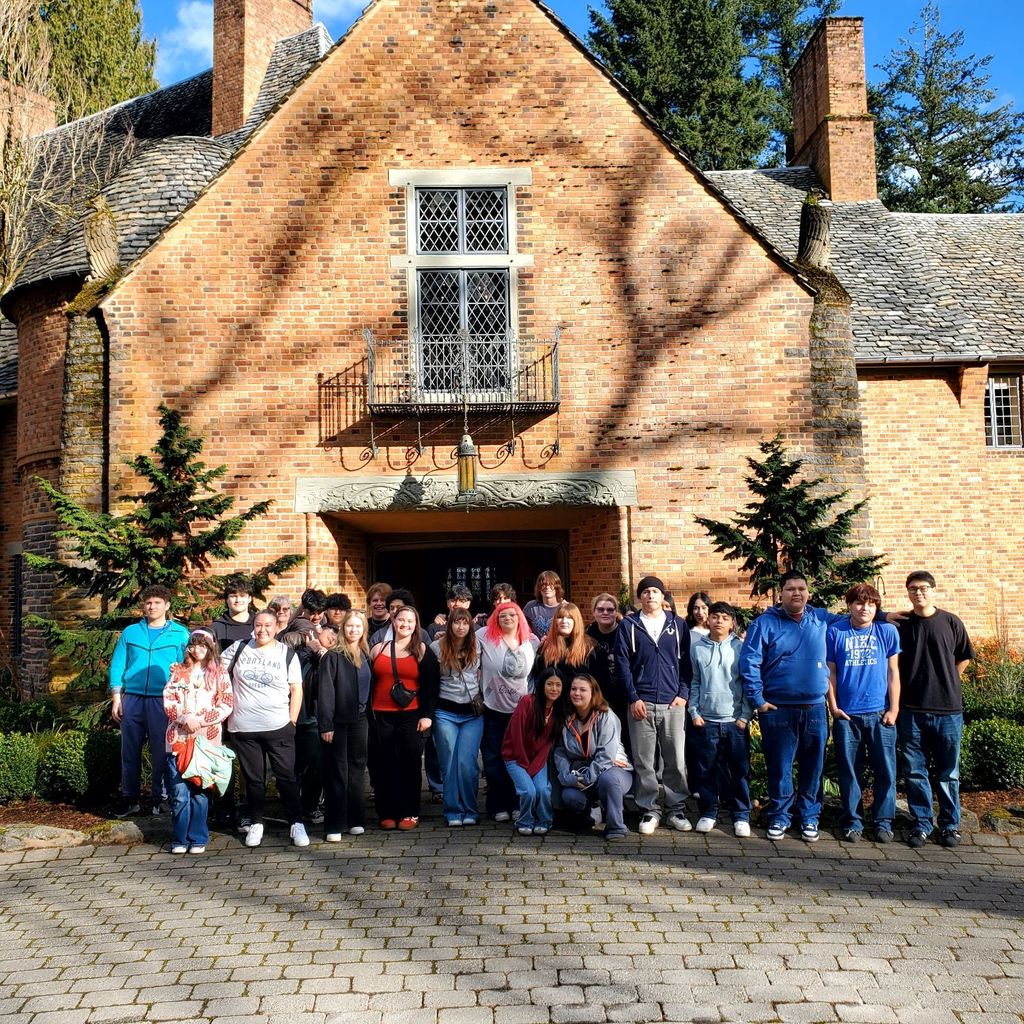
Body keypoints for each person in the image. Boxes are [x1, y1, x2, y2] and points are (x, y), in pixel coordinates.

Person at [740, 570, 863, 843]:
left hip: (815, 709)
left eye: (801, 588)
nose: (797, 593)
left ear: (809, 593)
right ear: (780, 594)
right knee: (780, 767)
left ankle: (809, 818)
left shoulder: (821, 618)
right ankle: (780, 817)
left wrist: (886, 616)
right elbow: (749, 663)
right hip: (778, 710)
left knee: (813, 767)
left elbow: (855, 618)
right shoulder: (765, 624)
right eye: (791, 589)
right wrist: (758, 701)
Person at [895, 571, 974, 849]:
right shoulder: (901, 624)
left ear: (934, 590)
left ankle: (950, 826)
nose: (919, 593)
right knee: (915, 772)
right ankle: (922, 824)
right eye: (913, 588)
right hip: (910, 710)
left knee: (948, 773)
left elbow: (964, 657)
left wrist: (947, 680)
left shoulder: (950, 622)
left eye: (924, 588)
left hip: (947, 710)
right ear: (908, 592)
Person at [613, 576, 692, 835]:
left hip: (672, 704)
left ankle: (676, 809)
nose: (650, 596)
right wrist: (633, 697)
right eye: (645, 592)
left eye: (655, 591)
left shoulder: (678, 625)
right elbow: (622, 665)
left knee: (676, 761)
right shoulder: (629, 625)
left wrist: (683, 694)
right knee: (644, 761)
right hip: (641, 703)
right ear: (640, 598)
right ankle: (650, 809)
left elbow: (686, 664)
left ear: (663, 596)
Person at [223, 611, 309, 848]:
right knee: (254, 780)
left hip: (278, 726)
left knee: (286, 778)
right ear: (253, 626)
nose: (262, 630)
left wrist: (292, 720)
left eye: (268, 625)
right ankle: (257, 823)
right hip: (243, 728)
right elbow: (216, 673)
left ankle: (296, 823)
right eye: (258, 625)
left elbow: (297, 689)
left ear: (276, 628)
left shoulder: (286, 653)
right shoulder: (238, 649)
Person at [826, 583, 901, 844]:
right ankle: (852, 821)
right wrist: (834, 707)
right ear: (849, 605)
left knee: (886, 770)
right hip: (847, 716)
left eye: (870, 604)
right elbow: (831, 673)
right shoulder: (836, 632)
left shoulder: (887, 632)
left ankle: (883, 822)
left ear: (877, 607)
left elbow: (893, 672)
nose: (864, 608)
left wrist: (894, 708)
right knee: (849, 771)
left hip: (881, 714)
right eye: (859, 603)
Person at [110, 585, 190, 817]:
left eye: (157, 602)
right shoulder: (130, 633)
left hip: (162, 700)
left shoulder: (180, 634)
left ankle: (161, 799)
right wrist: (117, 696)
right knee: (129, 751)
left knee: (162, 753)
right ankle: (130, 798)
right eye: (148, 603)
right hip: (132, 698)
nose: (152, 606)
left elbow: (186, 668)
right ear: (143, 606)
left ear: (166, 605)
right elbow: (118, 665)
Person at [367, 606, 439, 830]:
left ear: (416, 625)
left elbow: (431, 685)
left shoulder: (422, 650)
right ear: (393, 621)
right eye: (401, 620)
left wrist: (427, 715)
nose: (405, 625)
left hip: (411, 715)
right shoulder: (378, 648)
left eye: (410, 621)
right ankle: (387, 812)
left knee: (409, 763)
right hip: (381, 715)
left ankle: (409, 812)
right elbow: (369, 681)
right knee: (383, 764)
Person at [163, 628, 234, 854]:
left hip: (206, 741)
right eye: (193, 645)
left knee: (200, 793)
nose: (197, 649)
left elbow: (227, 703)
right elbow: (168, 700)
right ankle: (179, 839)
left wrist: (201, 720)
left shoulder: (219, 674)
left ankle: (198, 837)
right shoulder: (178, 671)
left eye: (203, 645)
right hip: (179, 740)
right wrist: (185, 718)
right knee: (179, 794)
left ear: (211, 646)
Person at [688, 602, 752, 837]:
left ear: (732, 622)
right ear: (708, 619)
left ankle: (741, 815)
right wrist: (694, 712)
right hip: (706, 721)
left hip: (735, 721)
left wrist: (745, 716)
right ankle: (708, 812)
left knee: (739, 770)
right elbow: (695, 681)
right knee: (706, 769)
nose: (719, 621)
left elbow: (746, 683)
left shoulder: (740, 648)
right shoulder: (698, 648)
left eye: (725, 618)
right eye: (715, 616)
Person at [477, 601, 538, 822]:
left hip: (520, 712)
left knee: (518, 758)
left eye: (513, 615)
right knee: (493, 759)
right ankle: (496, 804)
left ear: (519, 617)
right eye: (503, 616)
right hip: (493, 709)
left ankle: (516, 802)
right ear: (496, 618)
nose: (508, 619)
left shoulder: (531, 641)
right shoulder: (484, 636)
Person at [554, 673, 633, 840]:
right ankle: (590, 814)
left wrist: (589, 777)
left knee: (608, 779)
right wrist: (567, 777)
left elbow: (607, 755)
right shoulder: (567, 717)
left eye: (583, 690)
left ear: (593, 693)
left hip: (615, 770)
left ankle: (616, 827)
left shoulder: (606, 716)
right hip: (583, 774)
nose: (577, 693)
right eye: (574, 689)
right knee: (569, 796)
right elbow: (560, 752)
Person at [318, 610, 371, 840]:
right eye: (349, 626)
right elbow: (326, 692)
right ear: (343, 628)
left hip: (361, 720)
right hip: (337, 722)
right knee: (338, 771)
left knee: (357, 768)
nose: (353, 630)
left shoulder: (366, 654)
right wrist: (326, 724)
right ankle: (334, 824)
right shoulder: (333, 656)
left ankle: (355, 819)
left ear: (363, 630)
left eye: (358, 626)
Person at [429, 608, 484, 827]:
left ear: (470, 625)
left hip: (472, 713)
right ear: (449, 624)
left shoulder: (478, 646)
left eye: (465, 623)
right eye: (456, 622)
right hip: (445, 712)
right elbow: (430, 681)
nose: (460, 627)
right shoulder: (436, 647)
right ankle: (452, 810)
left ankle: (470, 808)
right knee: (449, 761)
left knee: (467, 762)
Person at [502, 668, 566, 835]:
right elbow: (515, 734)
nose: (554, 689)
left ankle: (545, 820)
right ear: (542, 685)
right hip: (516, 757)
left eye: (558, 685)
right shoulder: (527, 702)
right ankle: (524, 820)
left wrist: (534, 765)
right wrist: (524, 763)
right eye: (550, 684)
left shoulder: (559, 711)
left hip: (538, 759)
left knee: (543, 789)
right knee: (528, 791)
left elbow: (548, 745)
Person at [587, 593, 628, 752]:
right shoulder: (587, 635)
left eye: (610, 610)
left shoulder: (625, 633)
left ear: (616, 612)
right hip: (597, 698)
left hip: (622, 697)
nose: (605, 613)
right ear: (594, 612)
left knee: (625, 742)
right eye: (601, 609)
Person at [533, 601, 602, 691]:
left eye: (569, 618)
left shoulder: (590, 647)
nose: (564, 621)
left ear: (576, 621)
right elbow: (539, 677)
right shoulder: (546, 646)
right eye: (560, 617)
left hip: (580, 700)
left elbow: (600, 681)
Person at [209, 577, 257, 653]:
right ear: (227, 600)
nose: (238, 600)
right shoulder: (216, 628)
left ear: (249, 599)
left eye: (242, 596)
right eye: (233, 596)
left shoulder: (259, 624)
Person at [523, 571, 563, 639]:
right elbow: (520, 625)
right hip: (538, 648)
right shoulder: (531, 607)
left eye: (551, 584)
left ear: (557, 587)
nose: (547, 587)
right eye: (543, 584)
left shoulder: (564, 607)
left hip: (559, 647)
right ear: (539, 588)